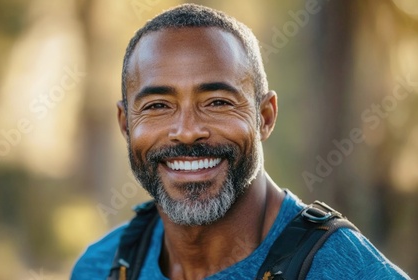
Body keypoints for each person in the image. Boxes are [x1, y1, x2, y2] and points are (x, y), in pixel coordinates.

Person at [72, 4, 410, 280]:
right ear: (125, 124)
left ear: (265, 116)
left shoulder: (353, 272)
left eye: (217, 102)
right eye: (158, 106)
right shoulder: (99, 268)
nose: (188, 131)